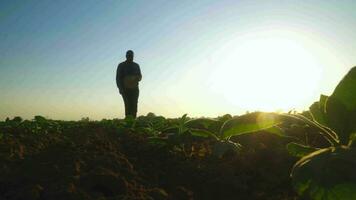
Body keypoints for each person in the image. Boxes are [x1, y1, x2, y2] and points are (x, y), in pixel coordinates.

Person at [116, 50, 142, 118]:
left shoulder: (136, 65)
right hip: (125, 89)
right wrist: (120, 88)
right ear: (126, 56)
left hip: (135, 89)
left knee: (134, 105)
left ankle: (133, 121)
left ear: (133, 56)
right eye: (129, 55)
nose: (130, 57)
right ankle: (128, 122)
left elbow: (140, 76)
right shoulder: (121, 65)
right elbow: (118, 78)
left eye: (131, 56)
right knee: (127, 105)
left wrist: (136, 78)